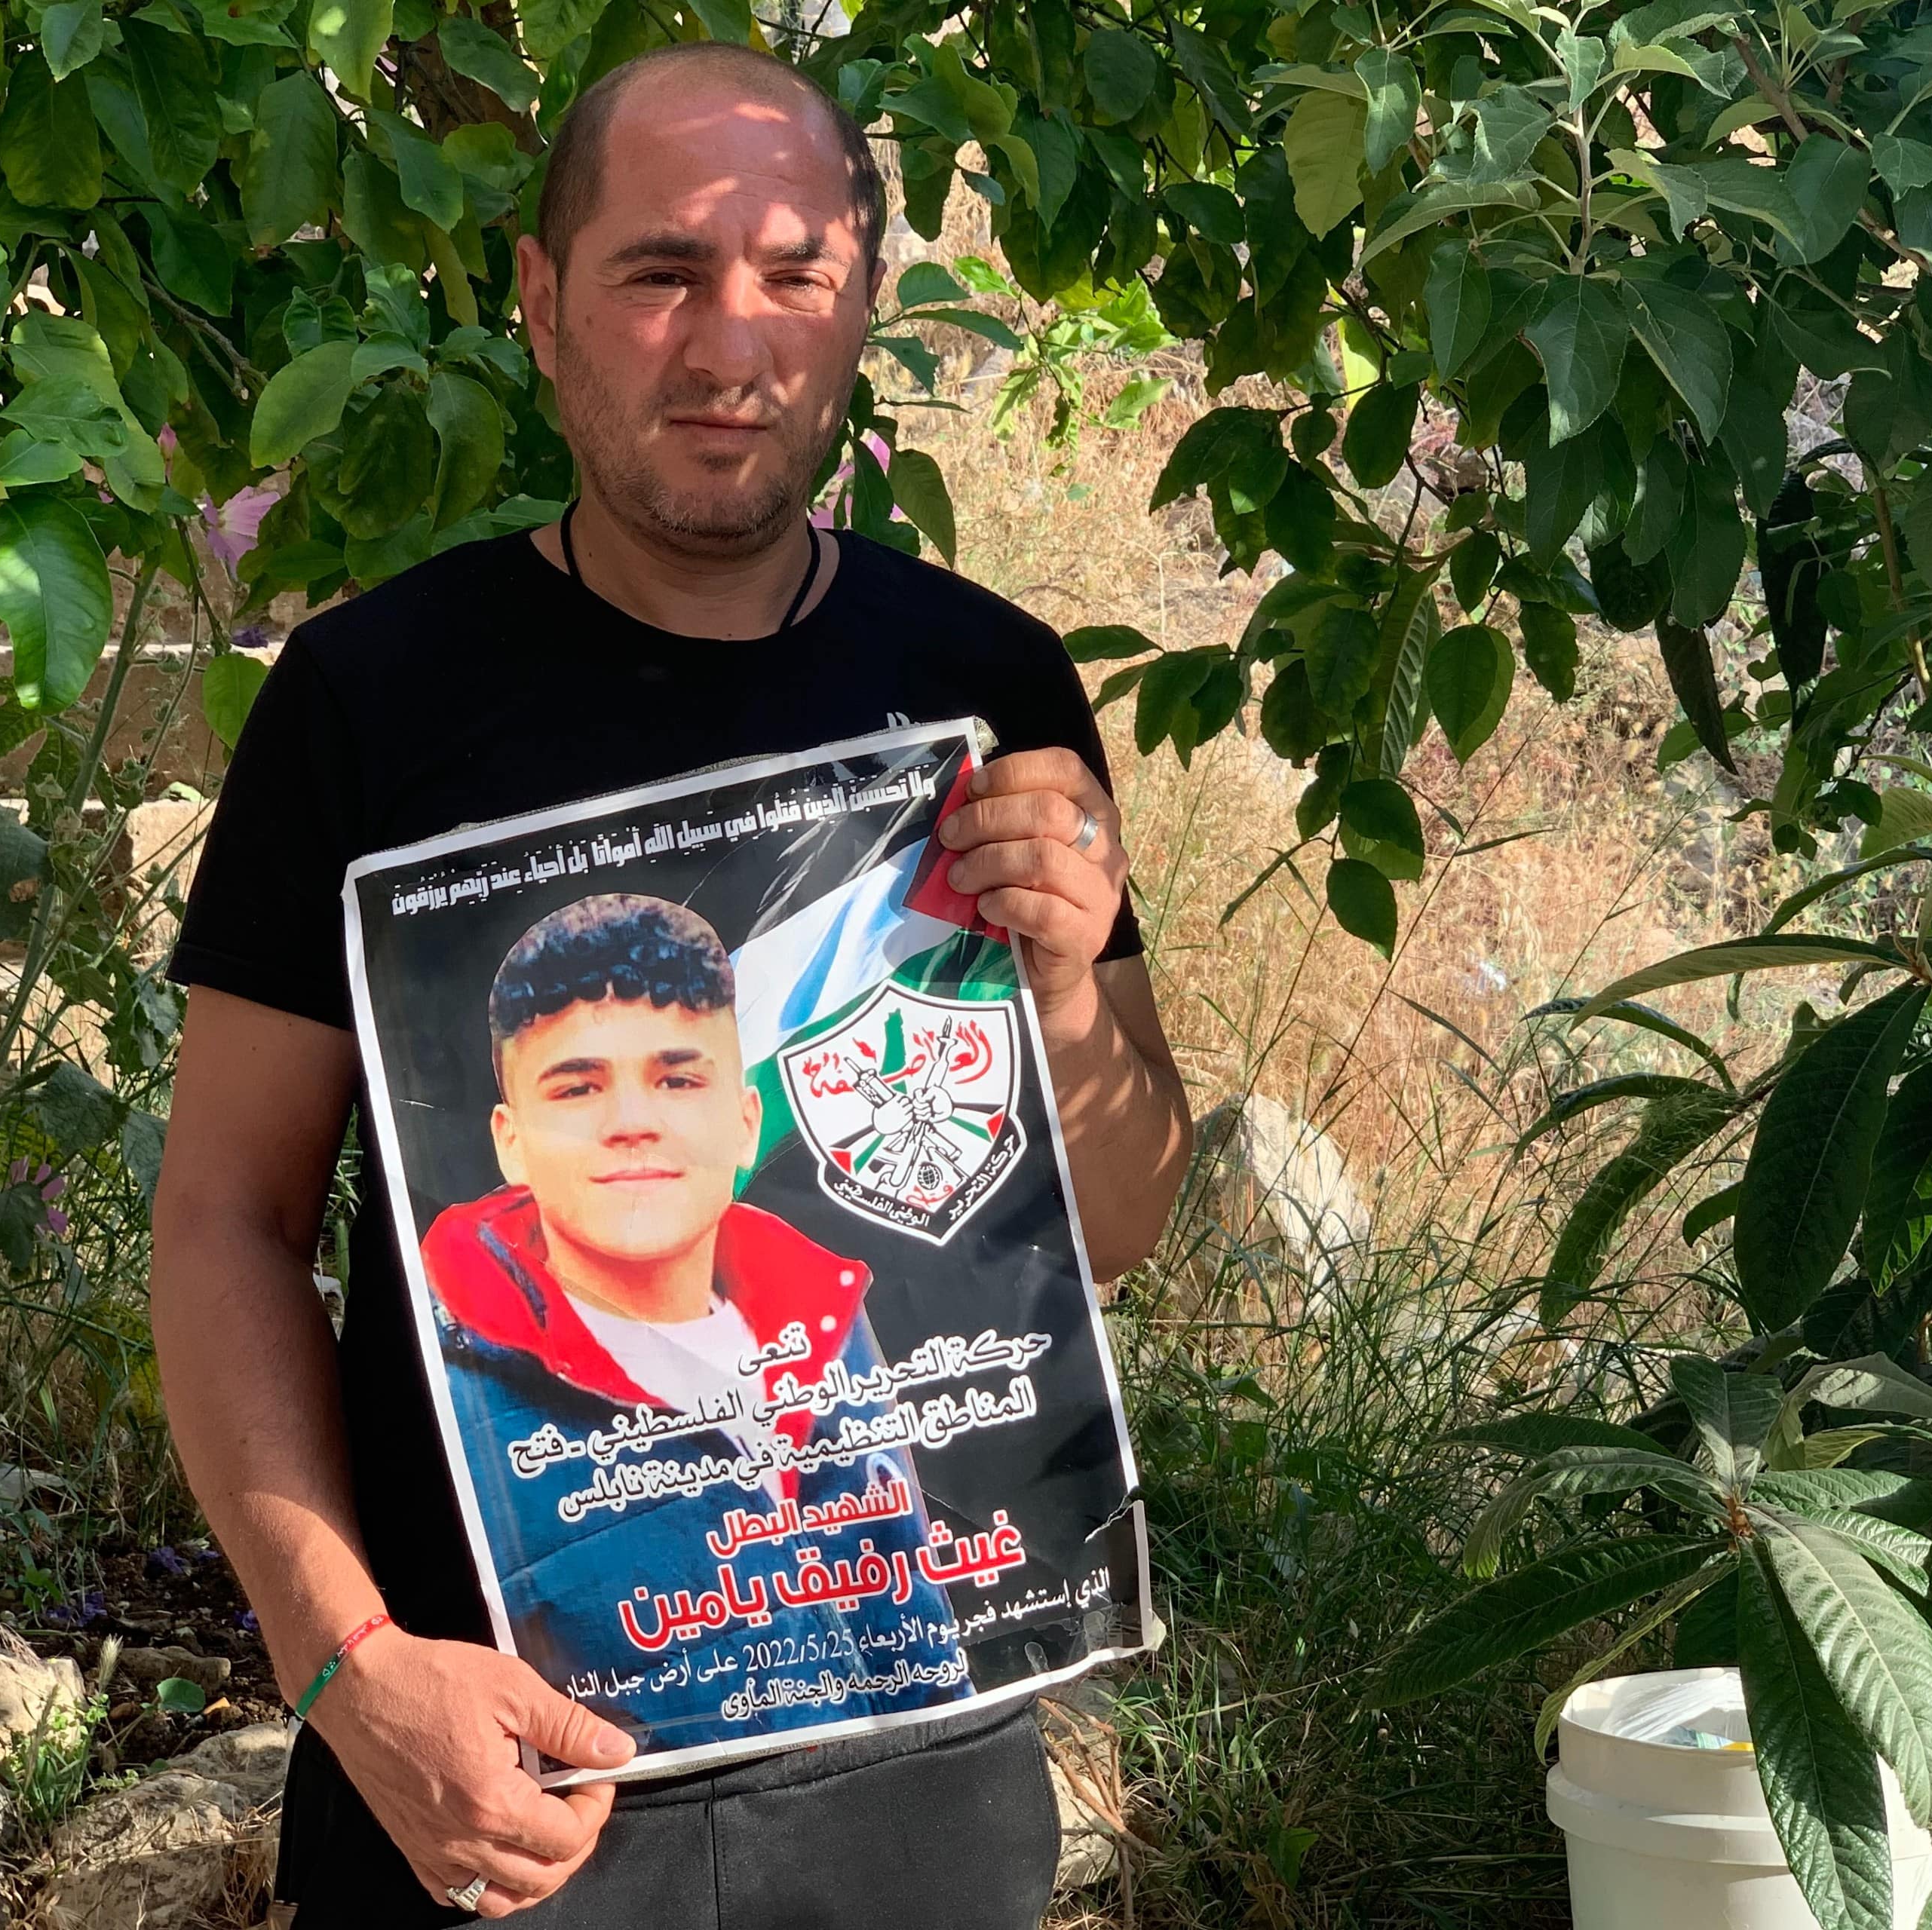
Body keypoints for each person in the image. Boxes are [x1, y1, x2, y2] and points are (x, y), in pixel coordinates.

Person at [149, 38, 1194, 1928]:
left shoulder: (985, 689)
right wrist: (350, 1667)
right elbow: (224, 1214)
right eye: (659, 271)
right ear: (541, 303)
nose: (731, 341)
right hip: (487, 1772)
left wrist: (1055, 992)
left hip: (921, 1764)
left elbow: (1110, 1222)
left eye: (793, 271)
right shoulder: (370, 704)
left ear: (863, 299)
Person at [425, 893, 968, 1746]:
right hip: (622, 1853)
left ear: (745, 1121)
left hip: (879, 1826)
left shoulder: (827, 1318)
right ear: (511, 1140)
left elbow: (912, 1612)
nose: (634, 1123)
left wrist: (950, 1782)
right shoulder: (452, 1367)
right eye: (577, 1087)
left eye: (678, 1079)